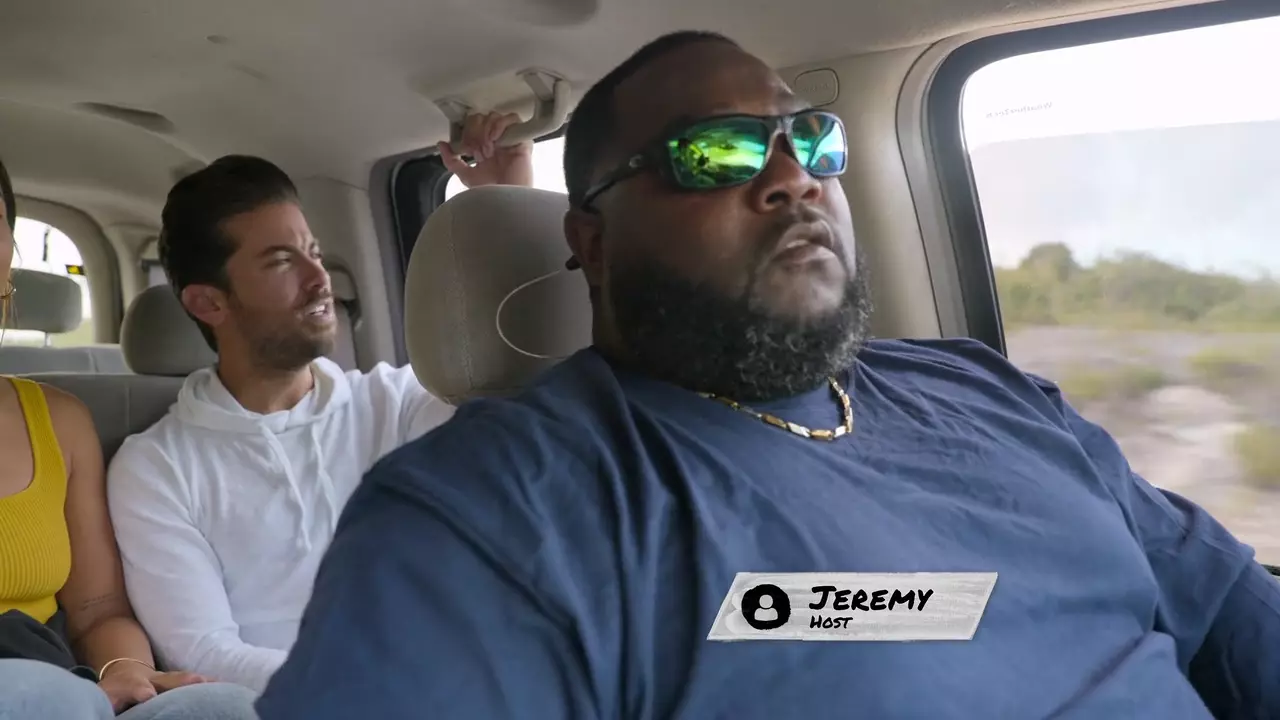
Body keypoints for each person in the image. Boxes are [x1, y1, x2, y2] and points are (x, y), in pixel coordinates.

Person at [255, 31, 1280, 720]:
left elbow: (1237, 622)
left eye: (811, 140)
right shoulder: (495, 514)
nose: (792, 178)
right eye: (714, 153)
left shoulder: (989, 392)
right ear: (592, 241)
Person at [105, 110, 536, 693]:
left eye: (313, 250)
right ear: (209, 304)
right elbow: (203, 651)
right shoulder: (156, 467)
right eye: (282, 261)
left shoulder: (398, 403)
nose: (319, 277)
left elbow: (522, 410)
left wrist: (509, 203)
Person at [0, 161, 258, 718]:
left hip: (60, 691)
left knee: (225, 706)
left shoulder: (59, 422)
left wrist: (127, 672)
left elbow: (97, 610)